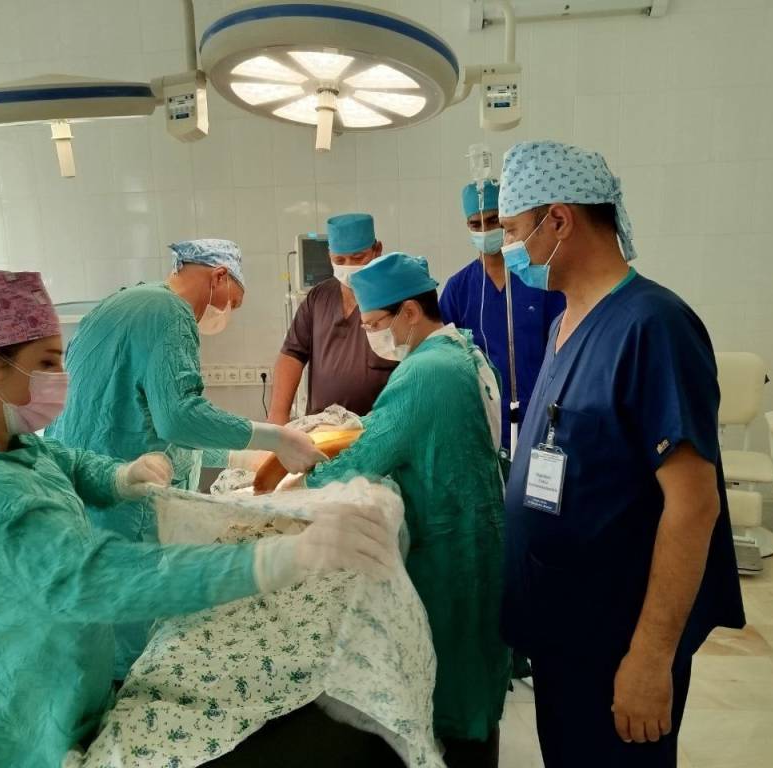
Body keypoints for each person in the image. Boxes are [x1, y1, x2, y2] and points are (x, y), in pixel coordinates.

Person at [0, 269, 395, 768]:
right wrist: (280, 557)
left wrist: (118, 476)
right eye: (45, 362)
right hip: (6, 730)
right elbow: (102, 578)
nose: (61, 378)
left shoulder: (5, 443)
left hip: (60, 694)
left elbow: (65, 460)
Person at [497, 142, 745, 768]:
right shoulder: (565, 322)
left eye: (513, 231)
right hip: (563, 629)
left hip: (618, 641)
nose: (507, 249)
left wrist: (651, 659)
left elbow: (694, 506)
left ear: (558, 220)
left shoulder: (653, 326)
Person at [46, 239, 326, 679]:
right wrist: (274, 437)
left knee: (93, 621)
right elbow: (178, 416)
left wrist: (237, 456)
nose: (226, 314)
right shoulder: (171, 313)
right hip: (124, 497)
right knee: (128, 635)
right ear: (219, 277)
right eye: (233, 302)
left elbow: (141, 417)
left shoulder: (121, 303)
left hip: (81, 482)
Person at [297, 253, 510, 768]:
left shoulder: (426, 372)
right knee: (475, 672)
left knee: (454, 679)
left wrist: (304, 481)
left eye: (375, 325)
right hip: (475, 533)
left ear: (409, 312)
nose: (373, 337)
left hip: (449, 545)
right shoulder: (461, 350)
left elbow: (371, 452)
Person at [440, 179, 564, 456]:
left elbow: (564, 349)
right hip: (481, 421)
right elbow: (444, 360)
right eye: (476, 224)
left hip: (539, 415)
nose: (485, 230)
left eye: (493, 220)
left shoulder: (537, 279)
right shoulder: (459, 289)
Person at [268, 214, 396, 424]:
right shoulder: (319, 297)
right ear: (329, 256)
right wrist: (277, 419)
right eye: (340, 260)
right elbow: (291, 354)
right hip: (322, 429)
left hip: (378, 429)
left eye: (358, 258)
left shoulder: (395, 298)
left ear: (377, 250)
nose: (348, 267)